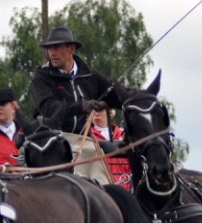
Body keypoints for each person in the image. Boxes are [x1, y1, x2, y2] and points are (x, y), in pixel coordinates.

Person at [29, 26, 128, 183]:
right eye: (49, 48)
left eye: (57, 47)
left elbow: (119, 96)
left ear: (71, 49)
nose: (52, 53)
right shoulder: (41, 77)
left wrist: (142, 98)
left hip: (84, 142)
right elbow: (48, 108)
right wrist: (81, 106)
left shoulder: (90, 76)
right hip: (52, 140)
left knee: (104, 184)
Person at [90, 108, 131, 189]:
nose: (95, 113)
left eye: (99, 109)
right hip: (98, 189)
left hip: (126, 187)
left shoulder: (124, 135)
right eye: (91, 110)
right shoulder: (87, 137)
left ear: (110, 112)